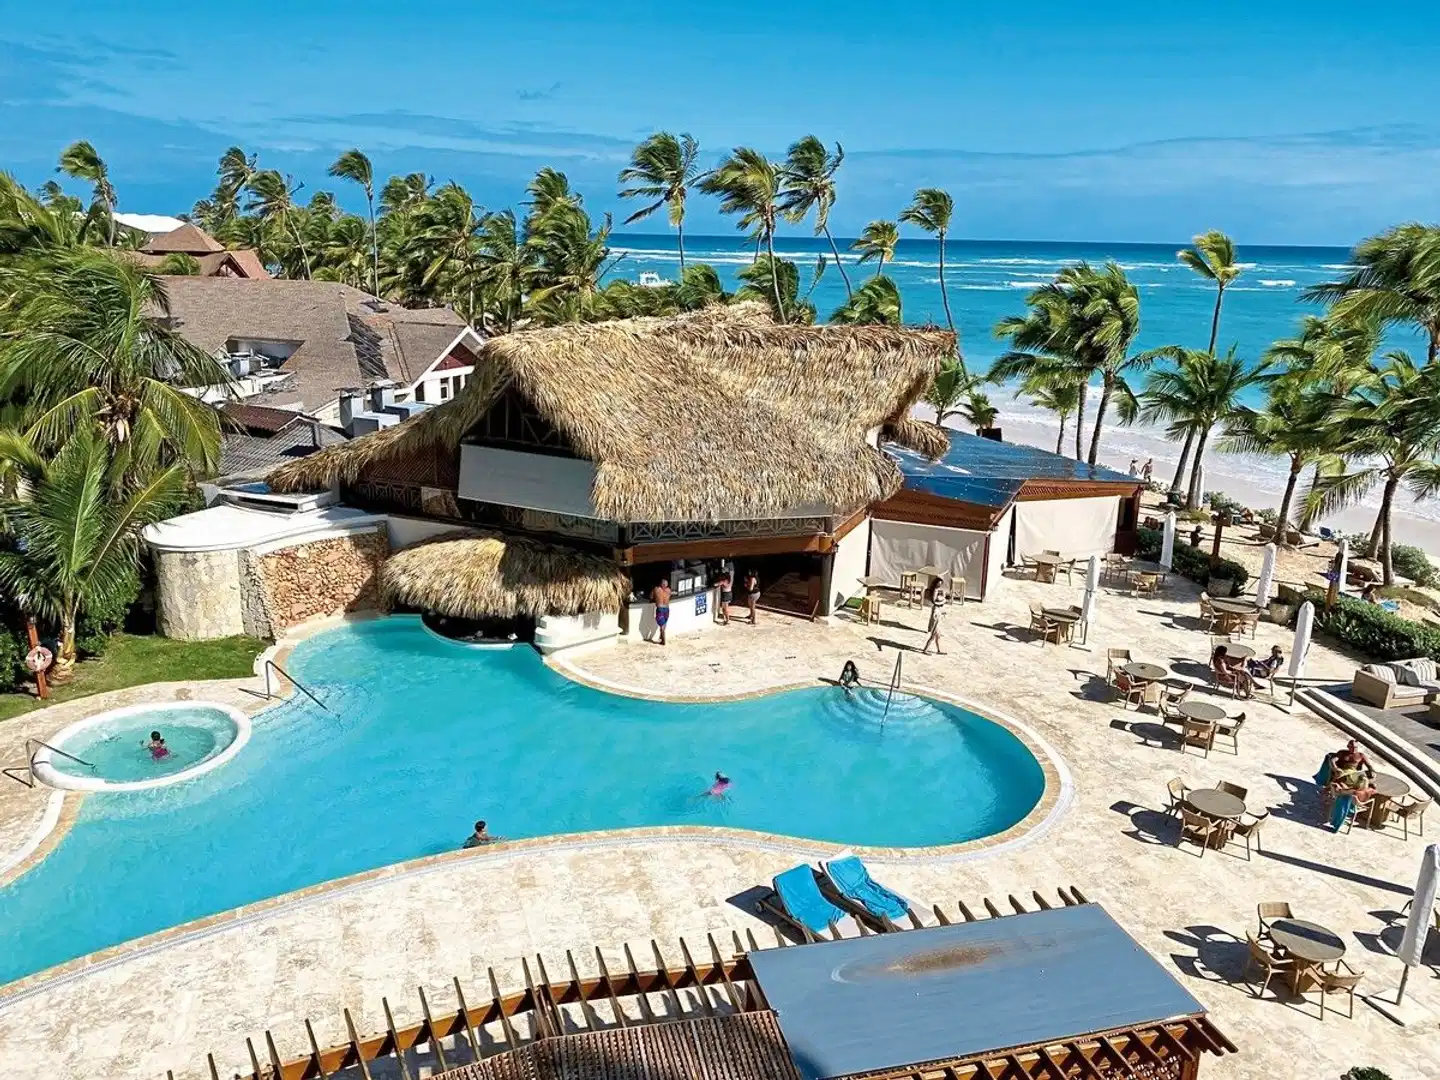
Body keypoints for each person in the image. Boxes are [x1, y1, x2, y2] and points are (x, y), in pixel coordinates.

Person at [921, 580, 949, 655]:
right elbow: (934, 603)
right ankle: (925, 650)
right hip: (935, 616)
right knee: (933, 636)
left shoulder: (936, 591)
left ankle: (939, 650)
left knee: (938, 635)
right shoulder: (935, 592)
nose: (940, 584)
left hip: (937, 614)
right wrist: (943, 601)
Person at [651, 578, 672, 645]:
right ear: (666, 584)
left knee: (662, 625)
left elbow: (651, 597)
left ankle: (663, 640)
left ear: (661, 584)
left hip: (660, 609)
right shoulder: (669, 590)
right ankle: (661, 636)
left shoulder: (656, 589)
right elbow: (669, 597)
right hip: (667, 609)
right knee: (664, 623)